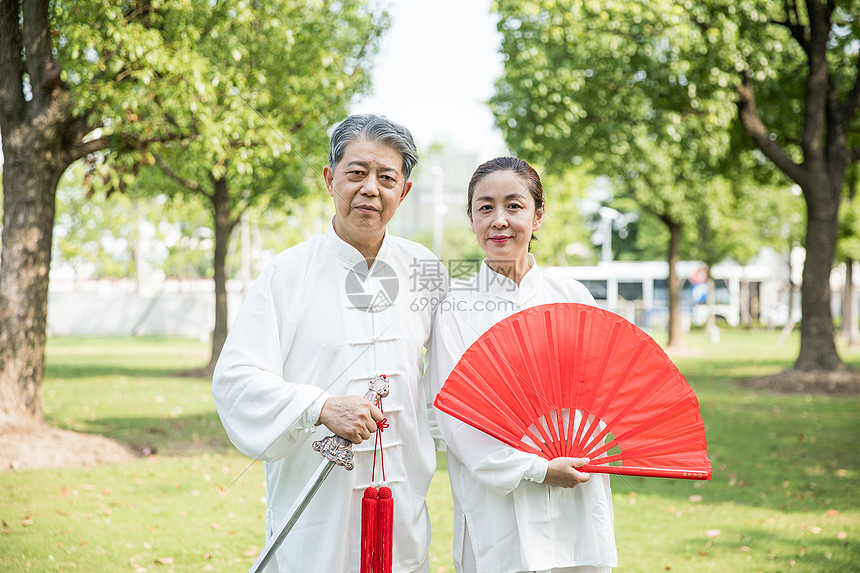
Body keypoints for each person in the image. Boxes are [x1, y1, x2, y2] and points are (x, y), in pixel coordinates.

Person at [213, 114, 447, 572]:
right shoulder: (287, 274)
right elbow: (236, 381)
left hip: (401, 507)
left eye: (386, 178)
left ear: (405, 191)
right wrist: (319, 407)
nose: (370, 189)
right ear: (329, 178)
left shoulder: (425, 271)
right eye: (356, 173)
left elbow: (455, 378)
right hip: (313, 508)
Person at [428, 157, 618, 573]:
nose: (499, 220)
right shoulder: (455, 309)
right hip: (497, 503)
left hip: (577, 496)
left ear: (538, 216)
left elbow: (603, 393)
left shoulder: (573, 297)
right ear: (472, 220)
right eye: (485, 207)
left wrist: (575, 451)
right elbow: (455, 420)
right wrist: (537, 468)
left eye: (514, 206)